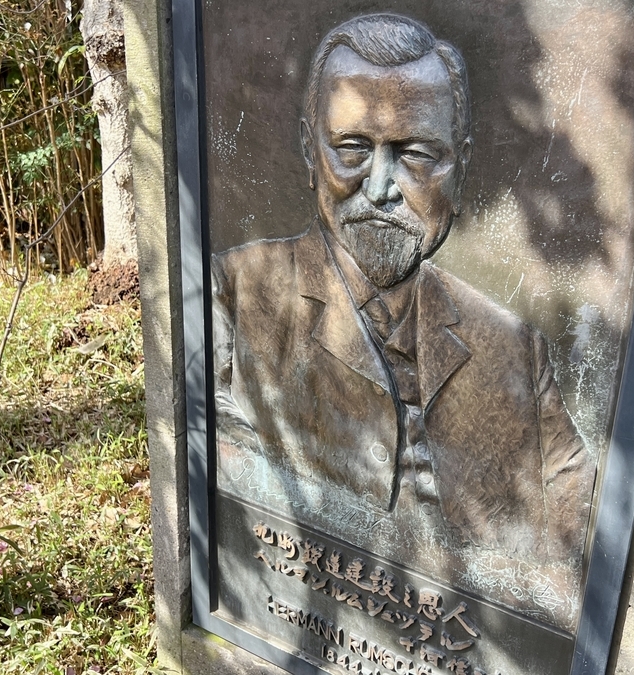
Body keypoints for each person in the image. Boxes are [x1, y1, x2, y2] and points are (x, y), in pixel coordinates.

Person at [212, 13, 593, 569]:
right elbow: (222, 469)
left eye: (415, 155)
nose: (381, 188)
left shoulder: (518, 350)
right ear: (308, 150)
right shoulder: (231, 293)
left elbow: (574, 540)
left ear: (459, 167)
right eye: (352, 149)